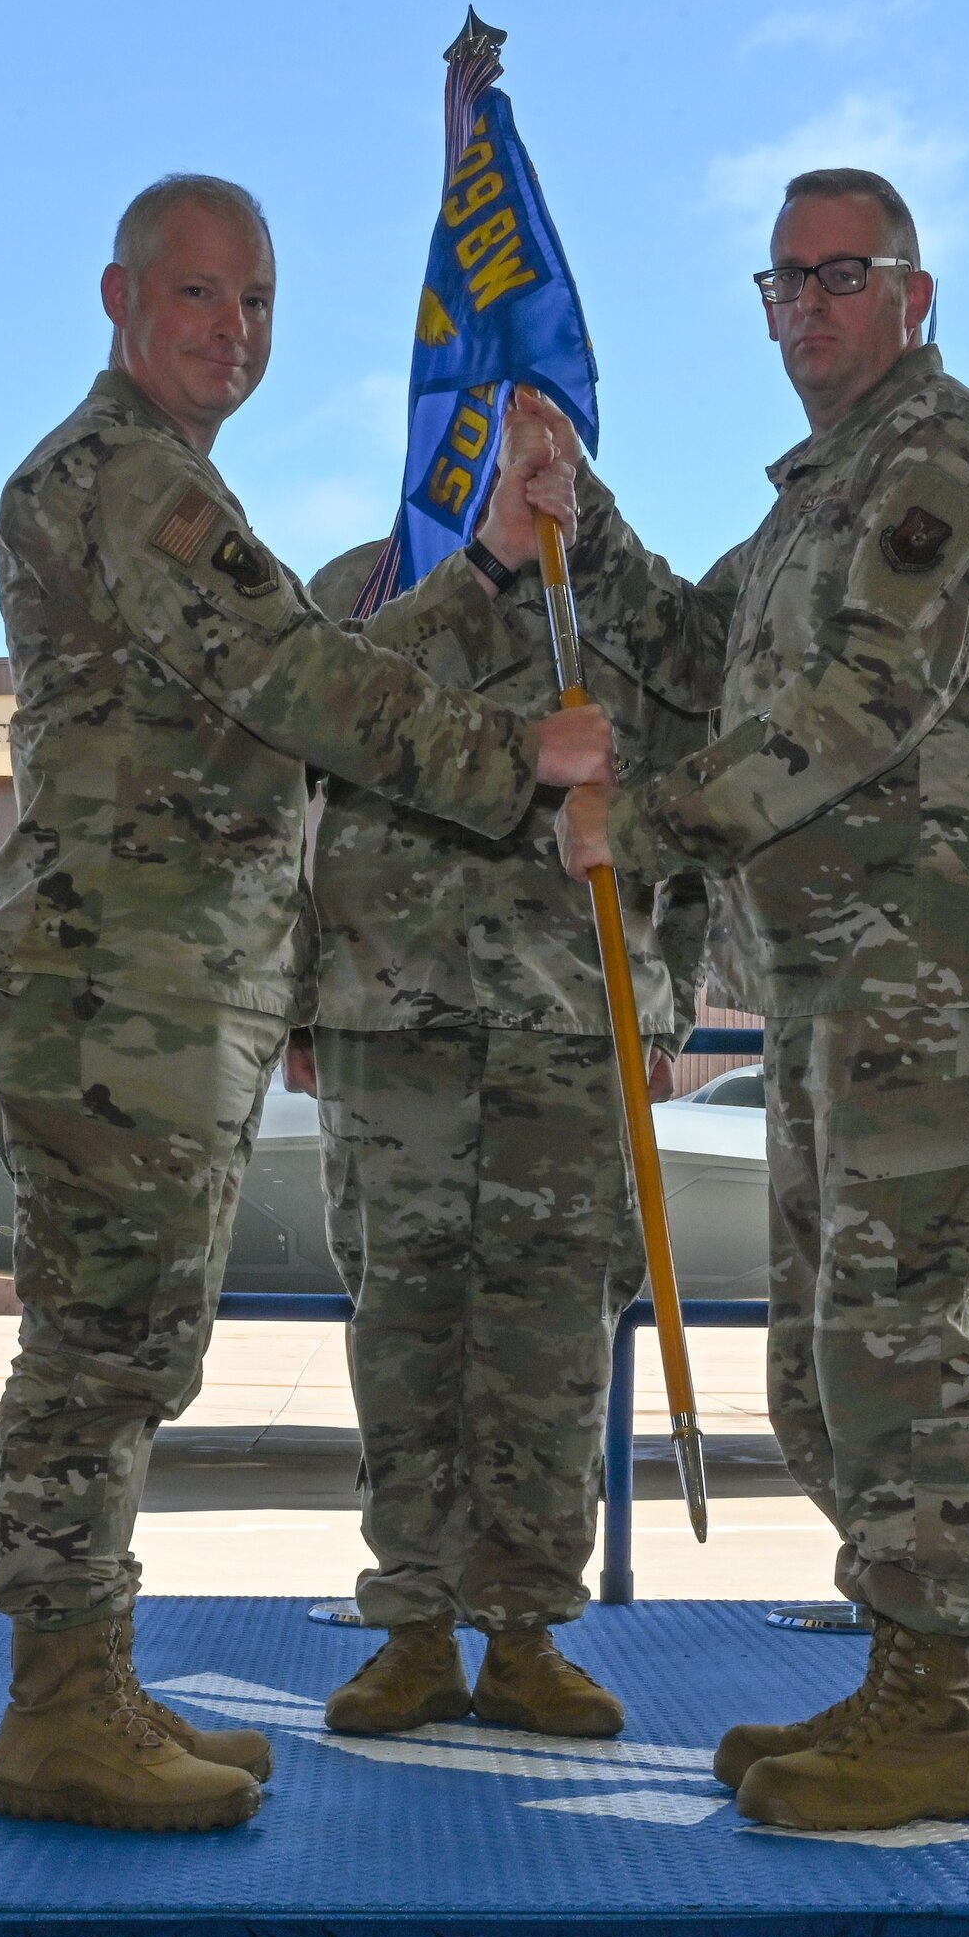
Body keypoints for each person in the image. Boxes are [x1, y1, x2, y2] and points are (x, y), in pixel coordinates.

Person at [0, 174, 614, 1834]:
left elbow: (301, 671)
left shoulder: (169, 486)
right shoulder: (127, 483)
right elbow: (308, 682)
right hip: (120, 986)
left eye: (255, 304)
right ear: (120, 299)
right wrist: (517, 752)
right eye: (198, 296)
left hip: (161, 987)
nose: (231, 331)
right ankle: (55, 1710)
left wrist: (480, 570)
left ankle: (83, 1680)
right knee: (101, 1357)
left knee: (128, 1350)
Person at [550, 167, 969, 1832]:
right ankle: (897, 1679)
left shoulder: (947, 459)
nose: (808, 307)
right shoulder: (808, 503)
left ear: (915, 295)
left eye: (842, 274)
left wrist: (633, 823)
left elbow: (858, 709)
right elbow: (703, 650)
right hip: (822, 979)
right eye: (781, 284)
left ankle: (937, 1706)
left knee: (907, 1338)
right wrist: (583, 520)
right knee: (831, 1355)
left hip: (926, 972)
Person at [297, 419, 710, 1742]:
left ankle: (528, 1632)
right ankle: (410, 1626)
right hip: (392, 1017)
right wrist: (302, 990)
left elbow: (695, 804)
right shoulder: (361, 595)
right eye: (497, 432)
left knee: (550, 1342)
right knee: (403, 1331)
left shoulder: (628, 615)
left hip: (575, 1025)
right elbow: (308, 774)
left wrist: (667, 996)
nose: (526, 459)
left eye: (552, 437)